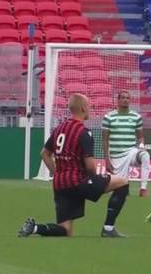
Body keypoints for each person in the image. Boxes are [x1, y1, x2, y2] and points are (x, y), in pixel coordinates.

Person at [18, 94, 130, 238]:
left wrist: (58, 173)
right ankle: (108, 228)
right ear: (83, 108)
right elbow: (90, 167)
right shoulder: (84, 133)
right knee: (122, 182)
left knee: (65, 231)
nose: (90, 109)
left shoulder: (59, 128)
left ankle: (35, 228)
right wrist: (95, 181)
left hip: (60, 185)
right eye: (89, 106)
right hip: (78, 182)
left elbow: (44, 154)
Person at [102, 91, 151, 197]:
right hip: (116, 156)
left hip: (131, 152)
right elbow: (105, 140)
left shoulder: (136, 117)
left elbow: (140, 137)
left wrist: (141, 147)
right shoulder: (108, 117)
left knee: (145, 155)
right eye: (123, 98)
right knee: (120, 191)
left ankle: (143, 188)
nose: (125, 100)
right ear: (118, 100)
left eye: (128, 98)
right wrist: (107, 160)